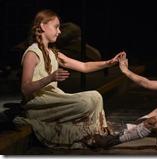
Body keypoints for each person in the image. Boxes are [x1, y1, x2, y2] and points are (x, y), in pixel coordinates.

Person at [15, 9, 123, 149]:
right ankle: (88, 136)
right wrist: (50, 78)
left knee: (95, 96)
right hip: (39, 104)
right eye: (56, 27)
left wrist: (109, 62)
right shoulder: (32, 53)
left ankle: (95, 134)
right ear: (42, 26)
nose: (59, 31)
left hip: (55, 98)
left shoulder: (53, 53)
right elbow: (25, 89)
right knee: (84, 104)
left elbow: (83, 66)